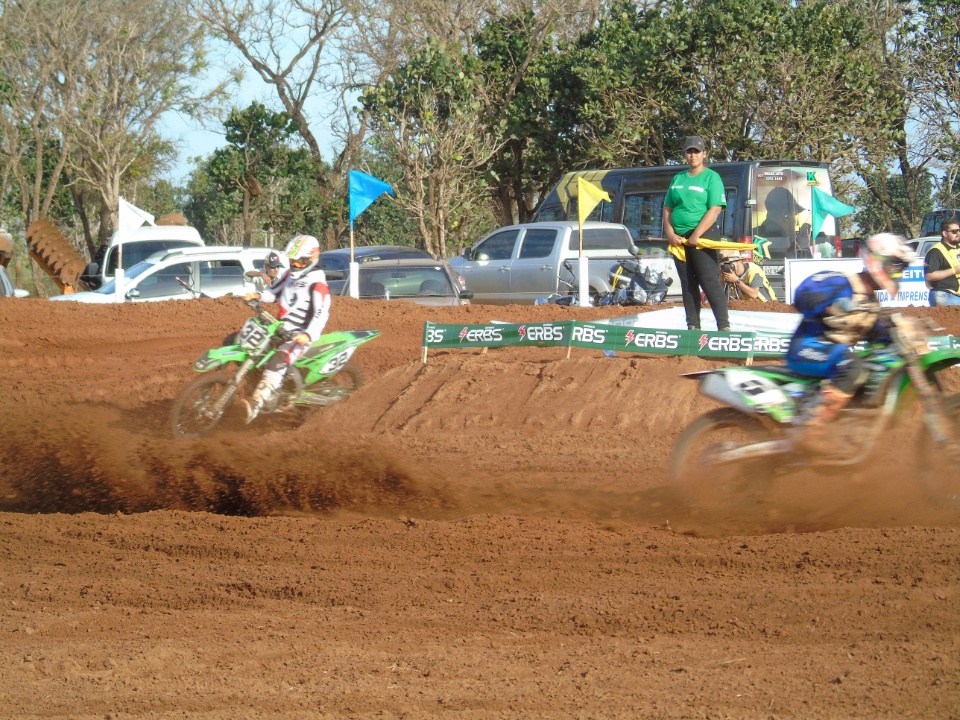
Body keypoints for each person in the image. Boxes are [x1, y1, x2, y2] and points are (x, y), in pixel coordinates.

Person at [786, 232, 917, 451]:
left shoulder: (871, 304)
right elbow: (802, 295)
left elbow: (880, 337)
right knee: (854, 366)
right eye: (896, 266)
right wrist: (835, 306)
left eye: (901, 268)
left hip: (833, 355)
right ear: (878, 260)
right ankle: (812, 428)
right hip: (807, 348)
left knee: (870, 368)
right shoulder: (841, 282)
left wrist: (904, 333)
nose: (898, 273)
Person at [242, 235, 331, 422]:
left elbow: (321, 314)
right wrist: (257, 295)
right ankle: (253, 384)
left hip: (299, 335)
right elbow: (273, 293)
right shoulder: (290, 276)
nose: (295, 265)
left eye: (300, 262)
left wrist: (308, 335)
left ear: (311, 259)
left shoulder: (317, 283)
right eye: (293, 261)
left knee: (278, 361)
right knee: (250, 348)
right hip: (280, 328)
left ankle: (253, 408)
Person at [663, 135, 731, 331]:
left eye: (696, 152)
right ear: (685, 154)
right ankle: (693, 326)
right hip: (679, 239)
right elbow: (667, 207)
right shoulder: (678, 178)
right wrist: (669, 231)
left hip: (703, 235)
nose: (693, 155)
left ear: (704, 154)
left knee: (709, 281)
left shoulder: (712, 177)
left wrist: (697, 235)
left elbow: (715, 209)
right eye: (689, 151)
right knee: (687, 284)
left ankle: (724, 327)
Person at [923, 219, 960, 307]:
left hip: (956, 294)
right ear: (945, 233)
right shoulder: (936, 251)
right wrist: (954, 270)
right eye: (955, 231)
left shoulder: (958, 248)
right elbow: (929, 276)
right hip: (944, 295)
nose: (958, 233)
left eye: (959, 230)